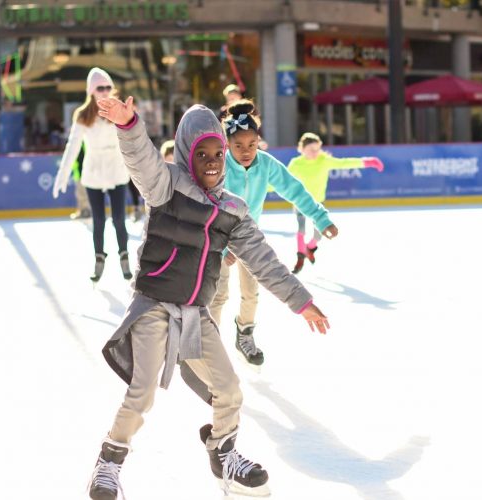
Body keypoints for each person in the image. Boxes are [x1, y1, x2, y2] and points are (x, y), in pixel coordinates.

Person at [89, 96, 331, 499]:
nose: (213, 161)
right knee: (143, 391)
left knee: (230, 388)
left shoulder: (232, 210)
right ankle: (109, 461)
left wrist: (300, 300)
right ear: (187, 153)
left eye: (219, 153)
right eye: (202, 153)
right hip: (153, 306)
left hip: (195, 314)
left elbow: (264, 262)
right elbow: (141, 158)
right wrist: (129, 124)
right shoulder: (164, 186)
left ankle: (224, 453)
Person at [208, 99, 337, 369]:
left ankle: (245, 334)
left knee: (251, 293)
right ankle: (209, 343)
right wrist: (220, 247)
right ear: (226, 144)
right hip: (217, 239)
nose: (246, 152)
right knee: (217, 295)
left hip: (248, 239)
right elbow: (204, 204)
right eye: (238, 146)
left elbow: (295, 190)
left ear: (259, 142)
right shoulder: (218, 165)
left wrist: (321, 219)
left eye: (252, 145)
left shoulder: (265, 164)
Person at [52, 67, 132, 282]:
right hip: (94, 170)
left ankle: (124, 257)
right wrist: (63, 174)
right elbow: (73, 146)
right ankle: (99, 259)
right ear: (91, 91)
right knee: (98, 219)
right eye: (100, 88)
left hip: (116, 168)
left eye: (108, 87)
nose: (105, 92)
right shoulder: (82, 115)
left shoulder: (119, 110)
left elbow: (132, 137)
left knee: (118, 218)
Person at [287, 132, 384, 272]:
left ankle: (310, 248)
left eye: (317, 149)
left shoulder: (324, 160)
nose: (315, 152)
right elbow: (283, 180)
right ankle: (300, 258)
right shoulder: (295, 164)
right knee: (301, 229)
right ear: (302, 149)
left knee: (318, 235)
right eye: (311, 149)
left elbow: (344, 163)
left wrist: (367, 161)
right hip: (300, 202)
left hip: (318, 204)